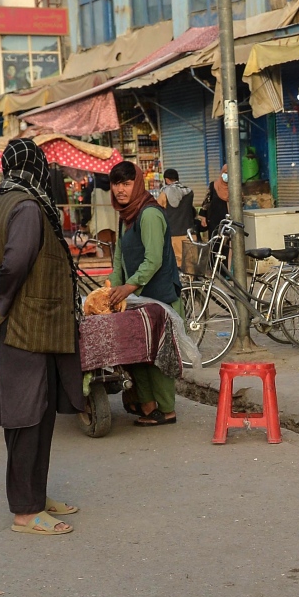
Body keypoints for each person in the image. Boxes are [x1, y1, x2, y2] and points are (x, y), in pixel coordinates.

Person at [0, 138, 85, 537]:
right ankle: (25, 512)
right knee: (28, 419)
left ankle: (36, 495)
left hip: (29, 328)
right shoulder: (29, 207)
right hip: (26, 328)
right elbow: (15, 261)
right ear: (37, 170)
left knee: (38, 416)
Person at [104, 161, 182, 426]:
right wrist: (112, 289)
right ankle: (147, 405)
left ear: (137, 184)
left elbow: (153, 260)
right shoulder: (125, 215)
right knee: (137, 352)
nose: (120, 190)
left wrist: (129, 286)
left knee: (158, 357)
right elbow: (119, 258)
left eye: (126, 183)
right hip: (137, 300)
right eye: (116, 184)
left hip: (160, 298)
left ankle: (167, 410)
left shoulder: (148, 214)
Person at [157, 168, 197, 264]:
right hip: (190, 233)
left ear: (166, 180)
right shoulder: (189, 192)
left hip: (173, 233)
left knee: (177, 263)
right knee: (190, 263)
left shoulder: (164, 194)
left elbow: (157, 210)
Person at [197, 164, 230, 237]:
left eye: (229, 173)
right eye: (225, 173)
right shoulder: (213, 185)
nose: (227, 176)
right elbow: (207, 201)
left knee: (228, 243)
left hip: (229, 220)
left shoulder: (235, 187)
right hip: (214, 220)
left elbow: (241, 202)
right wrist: (203, 217)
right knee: (215, 242)